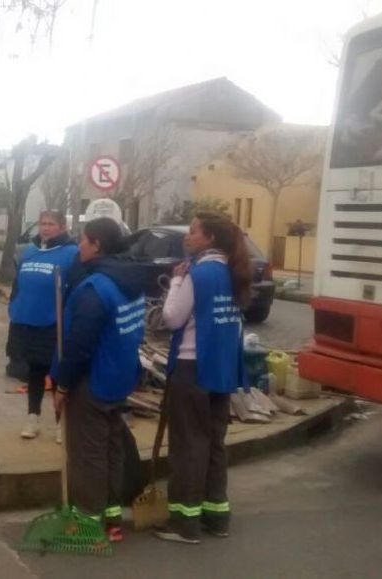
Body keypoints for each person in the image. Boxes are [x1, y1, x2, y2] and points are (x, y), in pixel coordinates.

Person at [154, 212, 250, 544]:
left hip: (191, 367)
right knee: (213, 443)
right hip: (220, 369)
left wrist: (177, 281)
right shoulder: (231, 272)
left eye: (193, 232)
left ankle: (184, 523)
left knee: (188, 445)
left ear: (209, 238)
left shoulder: (199, 273)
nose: (187, 236)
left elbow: (172, 317)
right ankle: (216, 516)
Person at [52, 217, 147, 543]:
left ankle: (87, 523)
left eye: (84, 240)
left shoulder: (96, 290)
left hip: (93, 383)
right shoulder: (130, 282)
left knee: (87, 455)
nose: (79, 245)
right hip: (120, 378)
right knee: (112, 451)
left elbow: (78, 347)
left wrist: (63, 385)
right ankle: (112, 518)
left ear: (97, 245)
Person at [7, 210, 78, 441]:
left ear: (62, 227)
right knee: (34, 372)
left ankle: (61, 423)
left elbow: (75, 291)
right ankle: (32, 417)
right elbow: (18, 284)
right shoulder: (30, 251)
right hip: (26, 322)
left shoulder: (71, 253)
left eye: (51, 224)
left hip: (53, 325)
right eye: (42, 224)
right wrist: (14, 307)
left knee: (56, 374)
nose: (46, 228)